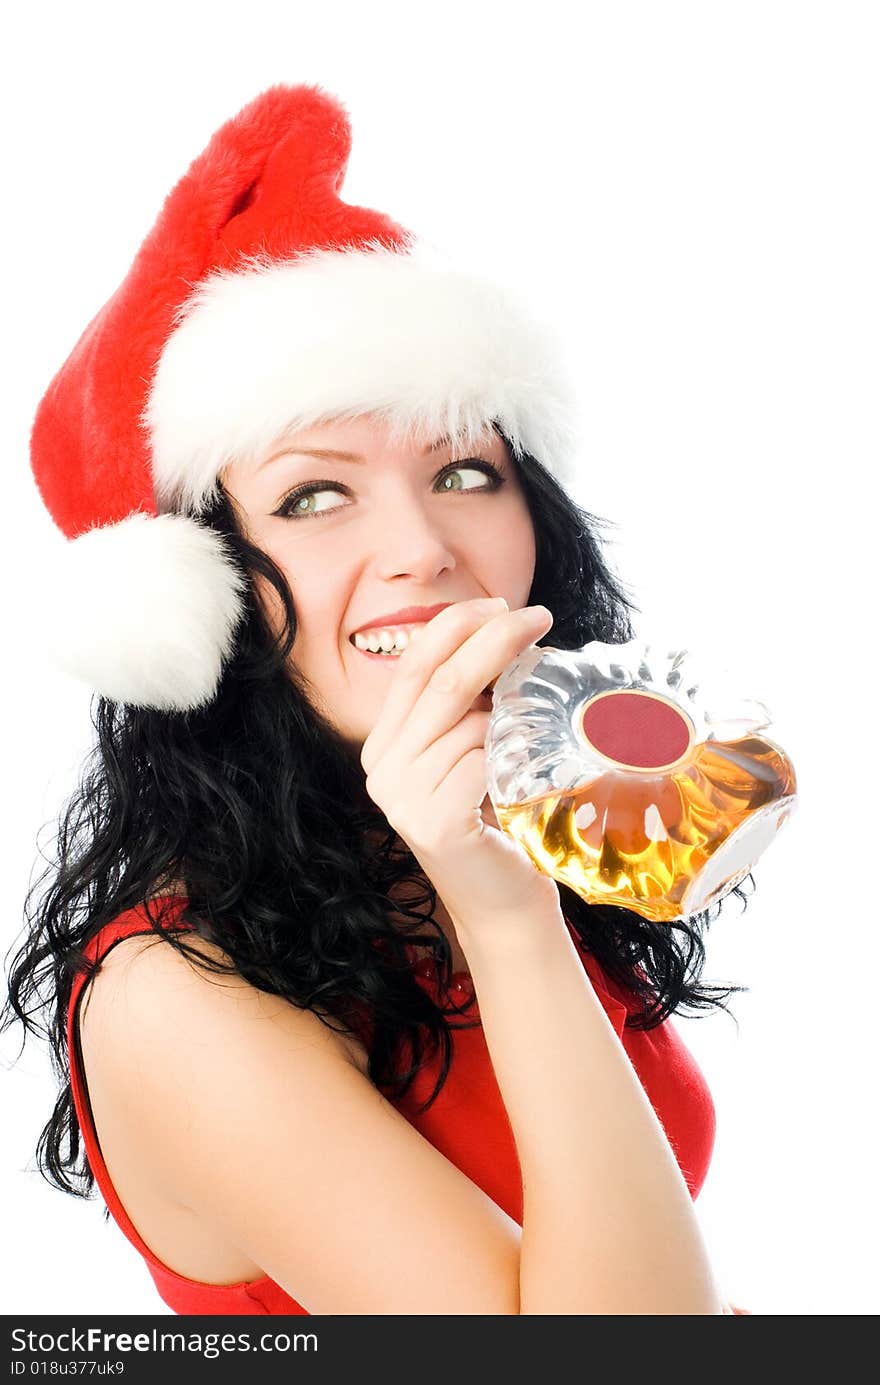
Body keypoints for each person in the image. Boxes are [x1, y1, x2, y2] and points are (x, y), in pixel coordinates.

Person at [3, 83, 752, 1315]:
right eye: (313, 494)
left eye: (464, 469)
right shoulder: (172, 996)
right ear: (201, 593)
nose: (422, 545)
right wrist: (506, 918)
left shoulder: (511, 833)